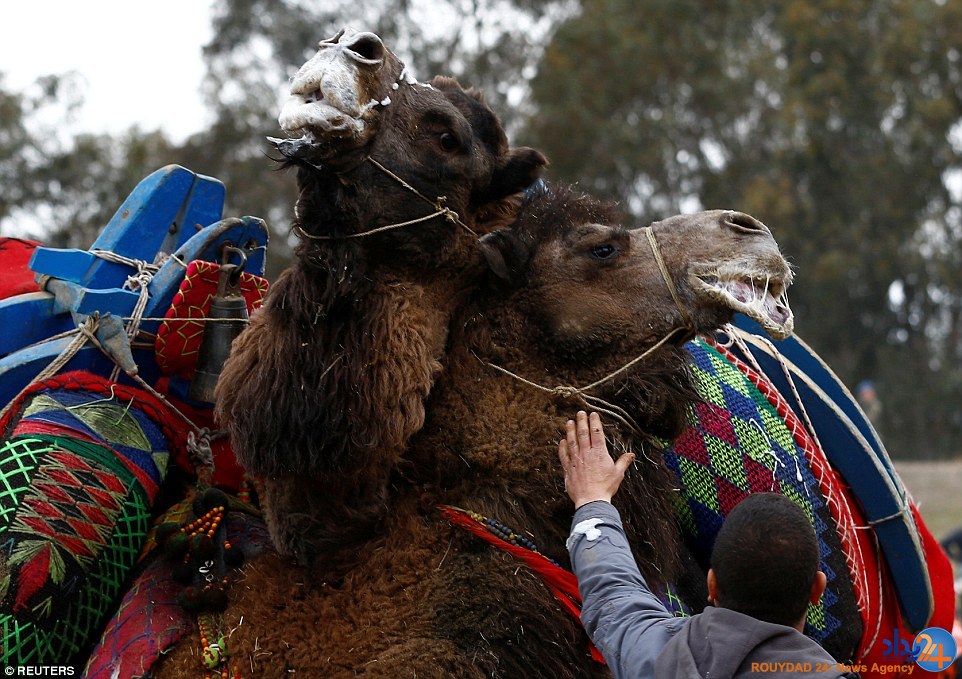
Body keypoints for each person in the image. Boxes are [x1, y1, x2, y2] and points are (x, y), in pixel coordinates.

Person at [559, 410, 855, 678]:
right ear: (817, 589)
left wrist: (592, 499)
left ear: (711, 584)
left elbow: (612, 592)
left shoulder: (658, 659)